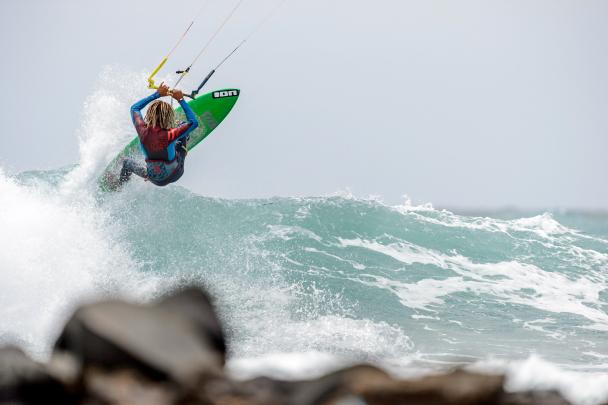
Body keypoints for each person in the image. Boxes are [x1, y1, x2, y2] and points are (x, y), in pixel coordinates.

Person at [119, 83, 198, 187]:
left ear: (150, 114)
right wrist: (181, 100)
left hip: (154, 179)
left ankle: (119, 186)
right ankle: (183, 144)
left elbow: (134, 108)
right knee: (183, 128)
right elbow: (193, 122)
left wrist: (157, 94)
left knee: (126, 162)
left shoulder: (141, 130)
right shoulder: (170, 134)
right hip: (175, 174)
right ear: (168, 117)